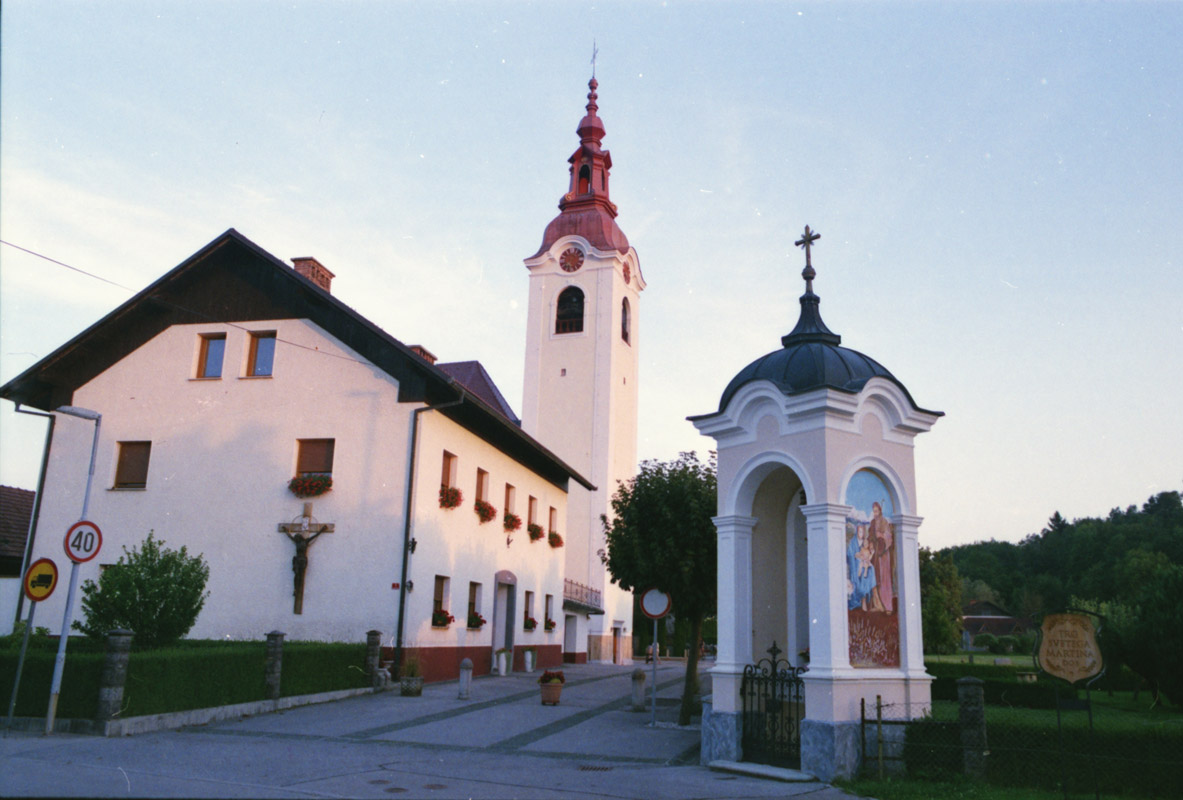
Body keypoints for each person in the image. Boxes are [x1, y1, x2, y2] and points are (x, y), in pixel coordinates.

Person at [868, 502, 894, 613]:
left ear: (880, 511)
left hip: (883, 555)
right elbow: (870, 536)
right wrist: (870, 543)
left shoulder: (884, 522)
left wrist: (882, 535)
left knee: (884, 579)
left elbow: (889, 537)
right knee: (875, 577)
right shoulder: (873, 523)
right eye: (873, 511)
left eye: (876, 511)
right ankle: (877, 604)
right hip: (875, 554)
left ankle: (887, 606)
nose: (875, 513)